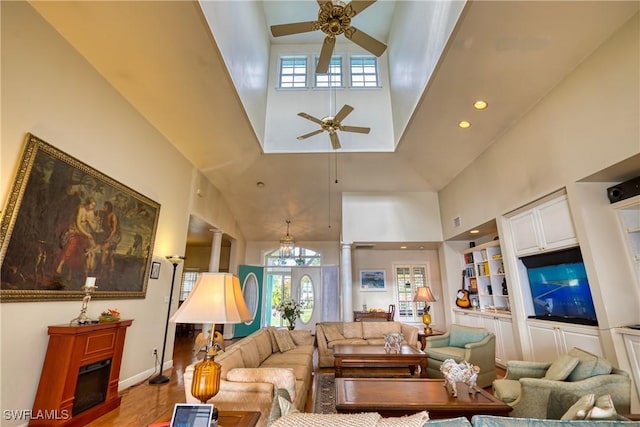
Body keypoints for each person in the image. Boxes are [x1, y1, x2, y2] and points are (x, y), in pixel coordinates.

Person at [56, 197, 99, 280]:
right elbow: (78, 224)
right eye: (92, 205)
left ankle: (87, 273)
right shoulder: (81, 208)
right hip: (74, 231)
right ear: (87, 203)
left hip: (84, 235)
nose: (93, 207)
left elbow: (94, 228)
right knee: (73, 243)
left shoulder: (91, 212)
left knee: (89, 250)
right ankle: (60, 265)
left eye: (94, 205)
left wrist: (89, 221)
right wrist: (86, 234)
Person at [99, 201, 121, 281]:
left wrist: (109, 238)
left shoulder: (113, 215)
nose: (103, 208)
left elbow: (114, 230)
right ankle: (104, 275)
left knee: (104, 249)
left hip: (114, 237)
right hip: (108, 236)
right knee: (108, 255)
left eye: (105, 207)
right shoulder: (104, 215)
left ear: (108, 207)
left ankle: (107, 275)